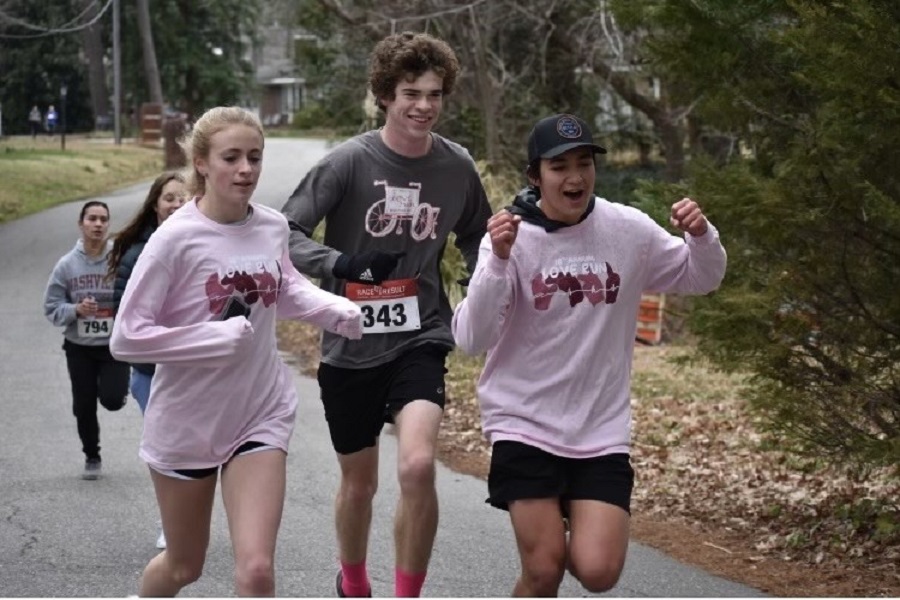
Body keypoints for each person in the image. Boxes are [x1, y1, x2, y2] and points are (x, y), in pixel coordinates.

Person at [451, 113, 728, 596]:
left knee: (598, 571)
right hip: (525, 421)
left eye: (584, 163)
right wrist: (495, 261)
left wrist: (701, 236)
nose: (575, 177)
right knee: (543, 569)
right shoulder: (510, 240)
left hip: (599, 428)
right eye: (559, 167)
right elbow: (472, 338)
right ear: (535, 177)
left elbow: (700, 277)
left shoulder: (627, 229)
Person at [109, 106, 363, 597]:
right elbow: (127, 336)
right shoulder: (174, 240)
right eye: (231, 158)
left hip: (258, 411)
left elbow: (284, 288)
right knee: (184, 566)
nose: (246, 169)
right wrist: (209, 339)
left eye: (254, 157)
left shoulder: (270, 227)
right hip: (188, 421)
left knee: (257, 571)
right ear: (202, 163)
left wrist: (335, 308)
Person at [282, 31, 492, 598]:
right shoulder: (350, 162)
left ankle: (407, 594)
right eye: (410, 92)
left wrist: (483, 284)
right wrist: (343, 264)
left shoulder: (456, 167)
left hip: (420, 333)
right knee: (360, 484)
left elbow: (480, 236)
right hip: (350, 340)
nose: (424, 105)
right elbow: (283, 234)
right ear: (384, 95)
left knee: (419, 465)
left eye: (434, 93)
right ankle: (352, 582)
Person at [107, 170, 187, 550]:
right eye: (170, 197)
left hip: (199, 372)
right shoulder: (139, 255)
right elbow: (122, 318)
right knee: (169, 449)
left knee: (194, 449)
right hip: (151, 375)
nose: (177, 204)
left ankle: (189, 518)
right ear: (156, 204)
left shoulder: (208, 248)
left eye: (185, 198)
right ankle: (172, 524)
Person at [43, 200, 131, 481]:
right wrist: (75, 310)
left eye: (103, 219)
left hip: (112, 346)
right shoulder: (66, 266)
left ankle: (111, 390)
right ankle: (92, 455)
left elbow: (135, 295)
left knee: (113, 400)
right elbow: (51, 307)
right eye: (92, 219)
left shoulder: (119, 259)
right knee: (84, 405)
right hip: (79, 347)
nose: (98, 224)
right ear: (81, 224)